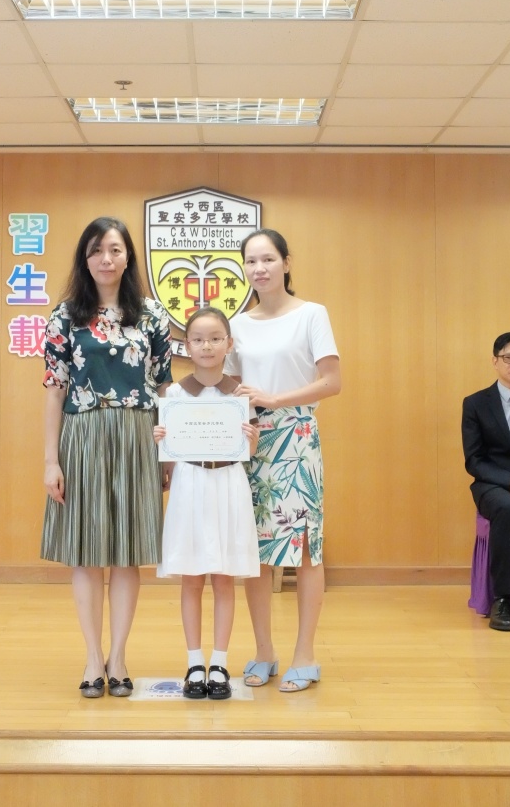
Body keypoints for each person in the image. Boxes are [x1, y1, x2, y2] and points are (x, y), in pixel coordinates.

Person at [41, 216, 172, 697]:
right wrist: (50, 460)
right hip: (84, 435)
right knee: (87, 552)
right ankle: (93, 658)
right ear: (85, 258)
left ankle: (118, 657)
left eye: (115, 249)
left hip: (138, 435)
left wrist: (169, 452)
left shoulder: (151, 315)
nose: (106, 259)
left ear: (128, 256)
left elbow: (164, 387)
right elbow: (54, 390)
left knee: (126, 552)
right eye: (96, 250)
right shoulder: (65, 316)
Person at [224, 228, 341, 693]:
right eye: (251, 261)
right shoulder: (238, 325)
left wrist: (274, 399)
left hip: (297, 436)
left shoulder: (312, 314)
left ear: (287, 263)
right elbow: (229, 389)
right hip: (251, 441)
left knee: (305, 548)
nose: (260, 268)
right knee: (256, 552)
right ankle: (263, 652)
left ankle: (305, 655)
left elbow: (331, 382)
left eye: (268, 259)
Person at [154, 307, 260, 700]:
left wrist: (252, 440)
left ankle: (219, 662)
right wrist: (161, 441)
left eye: (216, 338)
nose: (207, 346)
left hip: (229, 484)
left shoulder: (241, 393)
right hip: (190, 485)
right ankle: (194, 662)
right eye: (198, 339)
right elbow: (167, 458)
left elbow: (251, 448)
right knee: (192, 576)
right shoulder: (174, 394)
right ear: (187, 345)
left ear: (228, 344)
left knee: (224, 576)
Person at [462, 331, 510, 632]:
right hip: (493, 484)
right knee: (506, 508)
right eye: (509, 358)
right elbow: (474, 460)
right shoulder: (476, 403)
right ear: (495, 361)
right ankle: (502, 600)